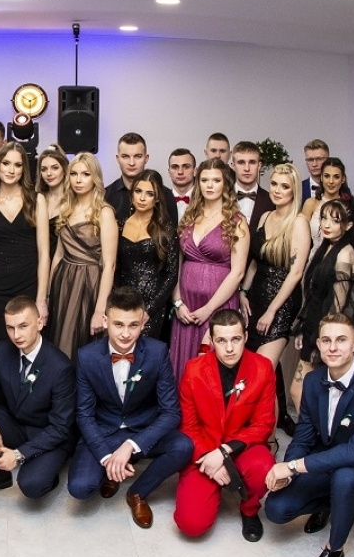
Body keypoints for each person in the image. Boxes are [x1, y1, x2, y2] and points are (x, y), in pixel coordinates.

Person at [265, 313, 354, 557]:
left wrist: (293, 467)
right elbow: (303, 437)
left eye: (341, 340)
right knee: (276, 509)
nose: (333, 347)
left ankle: (334, 551)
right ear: (319, 345)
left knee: (345, 478)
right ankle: (331, 504)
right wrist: (288, 471)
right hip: (325, 460)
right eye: (326, 340)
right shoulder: (313, 381)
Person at [69, 287, 193, 528]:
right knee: (80, 488)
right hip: (105, 431)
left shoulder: (158, 352)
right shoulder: (87, 356)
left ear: (143, 322)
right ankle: (112, 470)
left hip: (142, 430)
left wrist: (131, 445)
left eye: (133, 325)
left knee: (183, 446)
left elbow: (171, 412)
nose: (126, 334)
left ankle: (137, 492)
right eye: (118, 324)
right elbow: (84, 414)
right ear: (105, 321)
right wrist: (107, 458)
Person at [174, 309, 275, 541]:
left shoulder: (262, 368)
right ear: (211, 340)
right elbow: (188, 427)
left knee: (263, 466)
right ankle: (211, 491)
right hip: (204, 449)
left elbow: (263, 424)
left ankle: (249, 509)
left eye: (235, 339)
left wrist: (224, 452)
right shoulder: (194, 370)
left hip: (241, 447)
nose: (229, 348)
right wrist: (210, 459)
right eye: (221, 340)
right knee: (191, 525)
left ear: (245, 337)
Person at [0, 295, 76, 500]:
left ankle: (46, 468)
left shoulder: (61, 367)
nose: (16, 335)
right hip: (16, 423)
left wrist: (18, 455)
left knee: (32, 485)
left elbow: (60, 428)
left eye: (23, 326)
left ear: (39, 323)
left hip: (47, 434)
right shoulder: (4, 350)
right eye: (10, 328)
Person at [240, 162, 310, 431]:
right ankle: (268, 428)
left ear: (294, 191)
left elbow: (296, 273)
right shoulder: (265, 217)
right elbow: (255, 262)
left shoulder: (299, 222)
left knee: (261, 373)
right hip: (256, 297)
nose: (278, 190)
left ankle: (266, 438)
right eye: (274, 184)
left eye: (285, 186)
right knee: (256, 370)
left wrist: (272, 311)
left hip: (282, 304)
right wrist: (244, 292)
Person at [170, 159, 249, 377]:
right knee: (184, 365)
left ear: (225, 184)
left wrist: (208, 309)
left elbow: (238, 272)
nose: (209, 185)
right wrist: (177, 302)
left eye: (216, 180)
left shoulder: (236, 221)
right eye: (204, 180)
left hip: (218, 305)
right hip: (186, 306)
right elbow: (177, 264)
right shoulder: (189, 216)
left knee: (210, 369)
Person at [0, 141, 50, 331]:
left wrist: (42, 299)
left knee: (28, 338)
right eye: (6, 163)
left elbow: (44, 253)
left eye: (18, 165)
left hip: (29, 282)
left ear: (24, 169)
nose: (11, 170)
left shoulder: (37, 200)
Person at [47, 152, 118, 358]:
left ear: (95, 178)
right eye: (74, 174)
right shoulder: (66, 208)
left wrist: (100, 310)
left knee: (82, 345)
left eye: (85, 174)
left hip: (89, 283)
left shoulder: (104, 212)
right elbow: (58, 255)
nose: (78, 180)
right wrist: (49, 295)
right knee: (58, 342)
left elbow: (110, 264)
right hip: (63, 282)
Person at [293, 199, 354, 386]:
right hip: (314, 325)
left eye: (335, 220)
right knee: (301, 391)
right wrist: (303, 328)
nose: (327, 225)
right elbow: (313, 295)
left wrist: (323, 341)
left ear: (348, 225)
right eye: (324, 218)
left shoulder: (344, 254)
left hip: (325, 331)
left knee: (306, 390)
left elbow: (338, 308)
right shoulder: (326, 247)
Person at [114, 168, 179, 340]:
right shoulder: (120, 225)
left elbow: (171, 275)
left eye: (149, 194)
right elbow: (116, 267)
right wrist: (116, 301)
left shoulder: (166, 229)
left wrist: (149, 310)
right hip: (122, 302)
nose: (142, 198)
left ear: (157, 198)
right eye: (138, 191)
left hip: (152, 306)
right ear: (132, 193)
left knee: (146, 351)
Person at [104, 132, 178, 227]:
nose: (131, 163)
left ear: (146, 158)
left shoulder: (165, 194)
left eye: (138, 156)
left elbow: (173, 232)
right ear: (117, 159)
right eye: (125, 156)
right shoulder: (106, 196)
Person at [299, 157, 354, 249]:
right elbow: (301, 238)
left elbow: (350, 237)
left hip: (339, 255)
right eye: (327, 176)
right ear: (321, 177)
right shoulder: (311, 203)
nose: (331, 181)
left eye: (336, 177)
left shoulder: (348, 204)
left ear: (343, 179)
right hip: (314, 256)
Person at [35, 145, 69, 263]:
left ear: (64, 169)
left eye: (55, 168)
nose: (49, 173)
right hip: (36, 262)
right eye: (44, 169)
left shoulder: (73, 202)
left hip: (63, 263)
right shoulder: (35, 199)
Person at [230, 140, 273, 227]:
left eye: (252, 162)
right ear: (233, 166)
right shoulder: (221, 198)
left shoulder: (271, 200)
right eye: (241, 162)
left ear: (259, 166)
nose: (247, 168)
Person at [167, 148, 197, 222]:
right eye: (175, 167)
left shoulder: (205, 201)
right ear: (169, 172)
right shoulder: (161, 202)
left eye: (186, 167)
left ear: (195, 171)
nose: (180, 172)